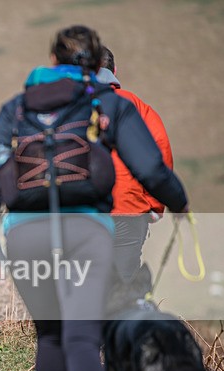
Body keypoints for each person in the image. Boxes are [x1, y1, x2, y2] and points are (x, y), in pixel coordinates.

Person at [0, 26, 189, 371]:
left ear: (51, 59)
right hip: (87, 231)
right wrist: (178, 202)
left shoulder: (17, 107)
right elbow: (151, 168)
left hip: (25, 235)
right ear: (97, 63)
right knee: (81, 337)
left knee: (49, 339)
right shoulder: (109, 103)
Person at [97, 45, 175, 305]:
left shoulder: (70, 107)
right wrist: (154, 205)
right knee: (124, 285)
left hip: (81, 211)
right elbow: (160, 154)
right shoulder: (140, 108)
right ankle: (116, 343)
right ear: (115, 71)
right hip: (129, 208)